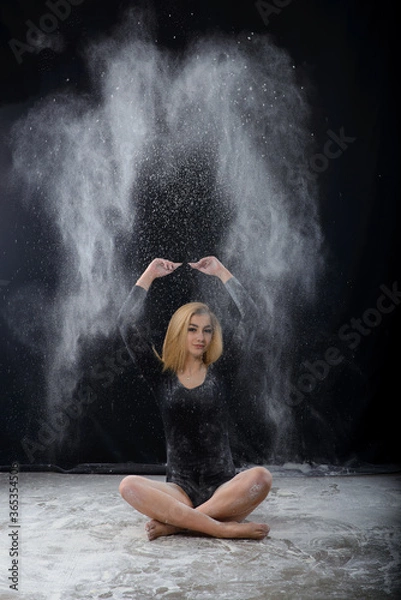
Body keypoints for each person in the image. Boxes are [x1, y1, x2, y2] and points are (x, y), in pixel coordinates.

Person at [118, 256, 272, 541]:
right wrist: (150, 274)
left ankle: (178, 525)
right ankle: (219, 526)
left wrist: (221, 272)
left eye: (206, 330)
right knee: (128, 486)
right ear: (179, 331)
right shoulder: (161, 375)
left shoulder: (222, 370)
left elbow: (253, 315)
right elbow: (126, 324)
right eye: (192, 329)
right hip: (179, 489)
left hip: (224, 487)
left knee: (261, 477)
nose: (200, 336)